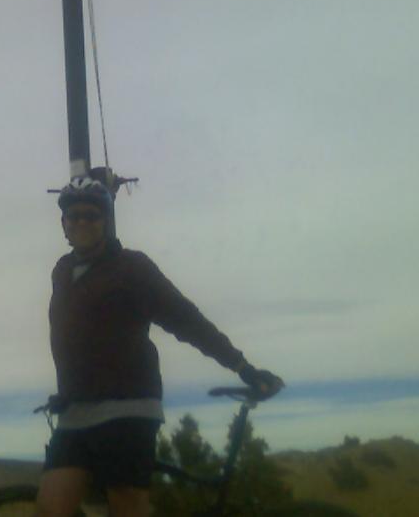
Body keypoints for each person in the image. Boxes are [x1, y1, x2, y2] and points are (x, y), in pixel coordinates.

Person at [36, 174, 284, 517]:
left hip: (128, 409)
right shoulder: (62, 271)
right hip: (75, 413)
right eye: (72, 216)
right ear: (63, 223)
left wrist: (241, 366)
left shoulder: (132, 268)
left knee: (127, 508)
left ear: (106, 222)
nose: (80, 222)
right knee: (50, 509)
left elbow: (185, 319)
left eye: (90, 215)